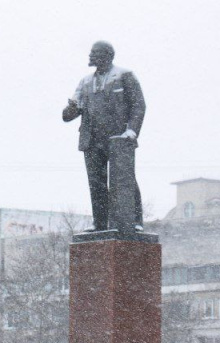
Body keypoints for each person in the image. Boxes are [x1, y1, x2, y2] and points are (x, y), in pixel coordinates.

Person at [62, 41, 146, 235]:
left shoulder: (124, 76)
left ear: (107, 55)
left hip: (118, 137)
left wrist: (131, 131)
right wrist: (72, 108)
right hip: (92, 139)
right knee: (96, 183)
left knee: (125, 180)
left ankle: (134, 220)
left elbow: (139, 105)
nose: (90, 56)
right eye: (90, 53)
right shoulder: (84, 82)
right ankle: (100, 223)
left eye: (95, 53)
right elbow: (68, 115)